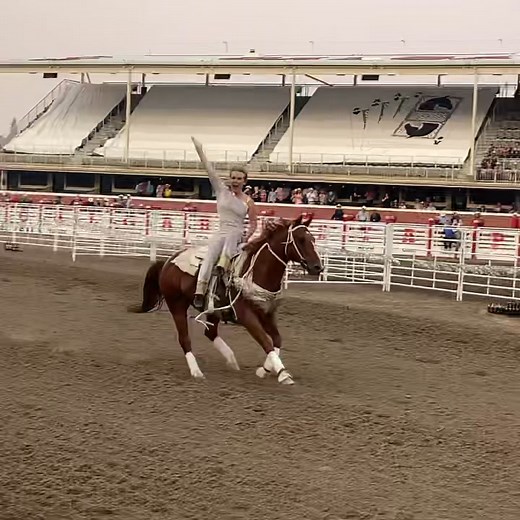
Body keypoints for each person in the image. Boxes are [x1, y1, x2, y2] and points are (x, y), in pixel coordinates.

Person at [191, 137, 258, 310]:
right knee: (209, 255)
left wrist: (247, 236)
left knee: (233, 235)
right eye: (233, 177)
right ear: (230, 179)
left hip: (237, 234)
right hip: (221, 232)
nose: (235, 181)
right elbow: (210, 170)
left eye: (239, 178)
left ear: (244, 181)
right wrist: (200, 151)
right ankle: (200, 291)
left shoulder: (249, 202)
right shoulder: (221, 191)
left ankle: (225, 266)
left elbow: (253, 224)